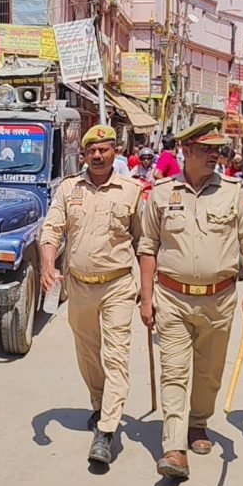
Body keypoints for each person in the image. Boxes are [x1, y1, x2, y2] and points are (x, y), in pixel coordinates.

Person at [138, 119, 243, 479]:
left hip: (219, 299)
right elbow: (148, 248)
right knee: (174, 372)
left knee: (208, 374)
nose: (215, 156)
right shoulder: (161, 193)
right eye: (207, 149)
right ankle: (174, 448)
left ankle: (198, 422)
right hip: (172, 298)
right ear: (187, 151)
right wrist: (147, 298)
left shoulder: (233, 192)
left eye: (218, 150)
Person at [40, 124, 143, 466]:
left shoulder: (132, 191)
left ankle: (107, 430)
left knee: (116, 355)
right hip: (79, 285)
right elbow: (51, 230)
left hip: (118, 286)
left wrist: (150, 290)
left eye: (105, 149)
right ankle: (99, 403)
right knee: (89, 353)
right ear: (83, 155)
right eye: (92, 151)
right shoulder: (69, 190)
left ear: (116, 152)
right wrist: (47, 266)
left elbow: (145, 243)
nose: (98, 156)